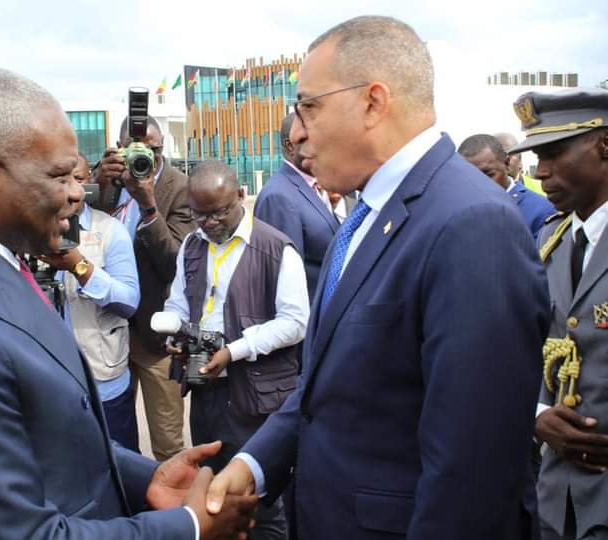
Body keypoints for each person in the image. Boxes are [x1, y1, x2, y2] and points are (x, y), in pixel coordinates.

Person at [0, 68, 256, 540]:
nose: (77, 193)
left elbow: (55, 434)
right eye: (60, 176)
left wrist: (146, 477)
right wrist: (188, 527)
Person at [206, 16, 550, 540]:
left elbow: (471, 474)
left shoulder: (471, 225)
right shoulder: (366, 214)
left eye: (308, 107)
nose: (296, 133)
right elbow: (323, 389)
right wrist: (253, 466)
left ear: (373, 102)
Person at [164, 160, 309, 539]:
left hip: (255, 396)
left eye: (219, 212)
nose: (209, 223)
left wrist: (235, 351)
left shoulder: (276, 249)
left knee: (259, 500)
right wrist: (176, 333)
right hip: (205, 389)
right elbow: (178, 304)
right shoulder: (192, 246)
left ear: (241, 196)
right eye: (199, 214)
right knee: (211, 488)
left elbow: (296, 322)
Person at [508, 89, 608, 540]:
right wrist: (536, 416)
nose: (539, 171)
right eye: (534, 157)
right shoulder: (551, 240)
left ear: (603, 145)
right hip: (556, 497)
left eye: (552, 153)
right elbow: (521, 351)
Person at [93, 116, 196, 461]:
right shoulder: (107, 180)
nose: (146, 160)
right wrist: (99, 183)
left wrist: (148, 205)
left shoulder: (180, 187)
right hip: (110, 331)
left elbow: (175, 263)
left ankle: (174, 511)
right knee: (114, 439)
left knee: (168, 443)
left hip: (156, 338)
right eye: (137, 152)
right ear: (119, 150)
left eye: (153, 151)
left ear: (162, 147)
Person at [43, 152, 141, 453]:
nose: (72, 188)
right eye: (62, 179)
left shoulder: (110, 230)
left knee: (121, 468)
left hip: (104, 379)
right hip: (51, 382)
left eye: (80, 179)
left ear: (92, 183)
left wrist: (79, 266)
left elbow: (129, 301)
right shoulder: (31, 232)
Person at [254, 112, 339, 300]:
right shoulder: (278, 197)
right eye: (311, 138)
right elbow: (284, 278)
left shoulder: (313, 187)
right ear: (290, 145)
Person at [459, 133, 555, 239]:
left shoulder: (542, 211)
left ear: (507, 164)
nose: (480, 184)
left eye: (489, 175)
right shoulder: (458, 212)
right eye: (471, 177)